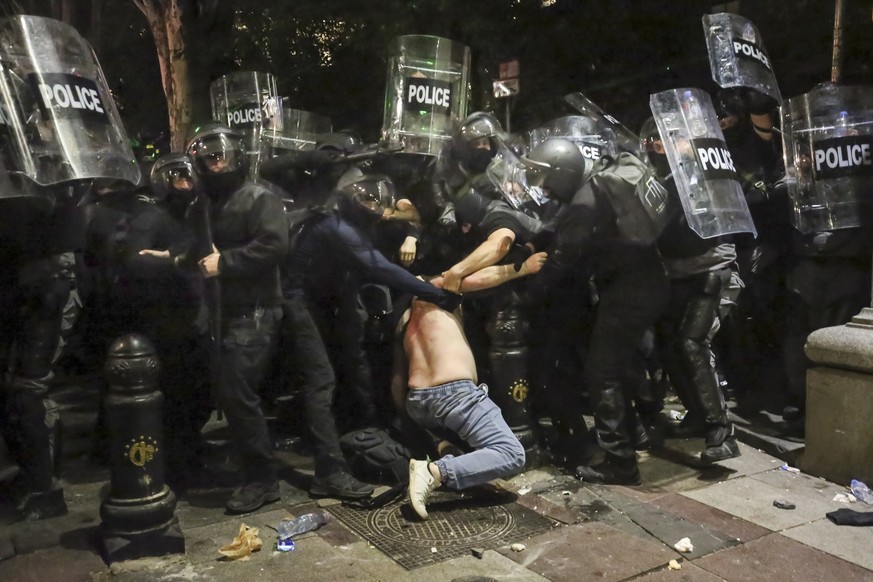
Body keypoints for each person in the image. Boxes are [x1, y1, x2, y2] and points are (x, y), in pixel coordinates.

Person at [281, 171, 463, 497]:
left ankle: (362, 442)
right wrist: (435, 293)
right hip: (302, 302)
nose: (375, 207)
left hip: (330, 301)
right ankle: (329, 473)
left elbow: (407, 217)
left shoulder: (350, 221)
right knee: (321, 380)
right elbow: (378, 266)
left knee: (355, 368)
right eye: (367, 199)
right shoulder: (335, 226)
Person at [523, 137, 670, 485]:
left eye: (545, 178)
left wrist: (527, 293)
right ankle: (637, 435)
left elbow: (562, 259)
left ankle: (621, 463)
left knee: (601, 372)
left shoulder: (584, 204)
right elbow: (561, 231)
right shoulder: (595, 186)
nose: (542, 186)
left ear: (562, 173)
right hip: (647, 282)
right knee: (616, 364)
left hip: (628, 293)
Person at [184, 123, 289, 514]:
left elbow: (275, 245)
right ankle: (249, 466)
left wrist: (224, 263)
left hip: (255, 309)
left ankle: (262, 479)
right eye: (206, 158)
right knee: (228, 392)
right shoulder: (207, 204)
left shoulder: (258, 198)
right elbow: (197, 249)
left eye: (219, 155)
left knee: (237, 392)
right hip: (223, 310)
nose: (214, 164)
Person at [400, 251, 547, 520]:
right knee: (512, 454)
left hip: (418, 400)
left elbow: (396, 384)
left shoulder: (406, 319)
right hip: (454, 394)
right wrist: (523, 268)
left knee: (460, 437)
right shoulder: (435, 290)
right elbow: (479, 278)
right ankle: (434, 473)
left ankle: (447, 452)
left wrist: (424, 431)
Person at [640, 118, 742, 463]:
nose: (660, 147)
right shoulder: (661, 179)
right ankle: (698, 416)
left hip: (711, 270)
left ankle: (721, 432)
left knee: (692, 342)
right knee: (670, 346)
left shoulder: (699, 174)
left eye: (667, 140)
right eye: (656, 141)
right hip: (676, 274)